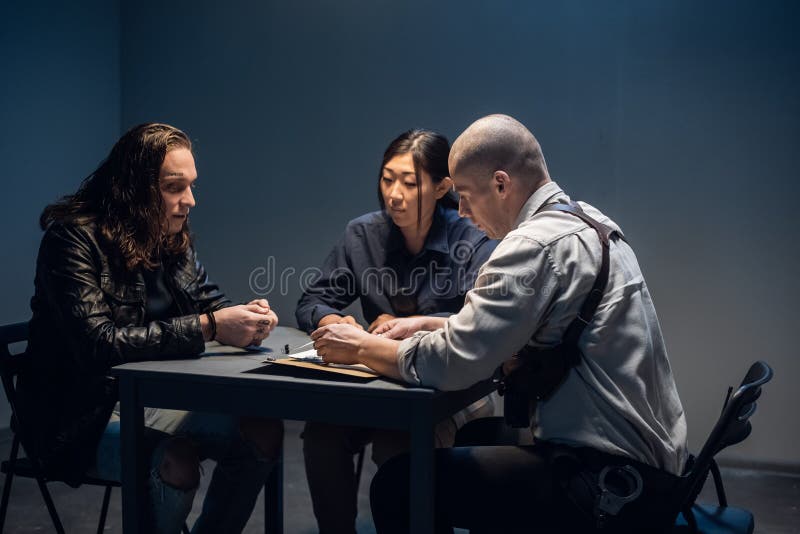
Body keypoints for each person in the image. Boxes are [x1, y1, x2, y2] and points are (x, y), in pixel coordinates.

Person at [311, 115, 689, 533]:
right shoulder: (589, 222)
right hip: (655, 472)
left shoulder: (530, 245)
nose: (462, 211)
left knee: (398, 485)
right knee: (471, 444)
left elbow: (453, 363)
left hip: (608, 484)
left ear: (501, 185)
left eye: (467, 195)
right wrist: (426, 324)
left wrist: (360, 347)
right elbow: (503, 329)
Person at [18, 123, 283, 534]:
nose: (189, 200)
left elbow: (207, 302)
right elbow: (99, 343)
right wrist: (211, 326)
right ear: (133, 187)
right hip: (77, 420)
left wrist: (246, 317)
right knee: (176, 458)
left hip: (151, 400)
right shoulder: (72, 238)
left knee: (262, 429)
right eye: (174, 187)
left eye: (191, 186)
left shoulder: (170, 237)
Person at [295, 129, 497, 534]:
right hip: (375, 383)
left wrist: (402, 334)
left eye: (410, 182)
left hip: (447, 388)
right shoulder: (362, 234)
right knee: (321, 435)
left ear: (443, 187)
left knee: (398, 446)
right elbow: (311, 301)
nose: (394, 194)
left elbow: (481, 326)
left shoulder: (472, 237)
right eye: (388, 179)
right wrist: (336, 323)